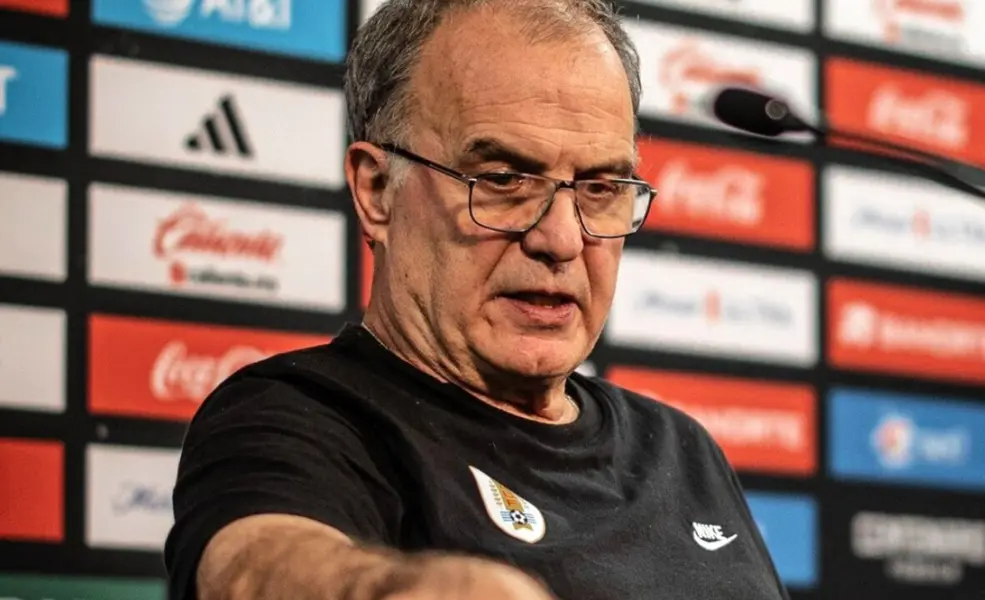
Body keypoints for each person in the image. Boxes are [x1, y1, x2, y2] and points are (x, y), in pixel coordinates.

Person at [164, 1, 789, 599]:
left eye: (600, 187)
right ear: (378, 190)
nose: (562, 239)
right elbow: (253, 567)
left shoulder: (680, 447)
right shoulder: (299, 418)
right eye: (504, 180)